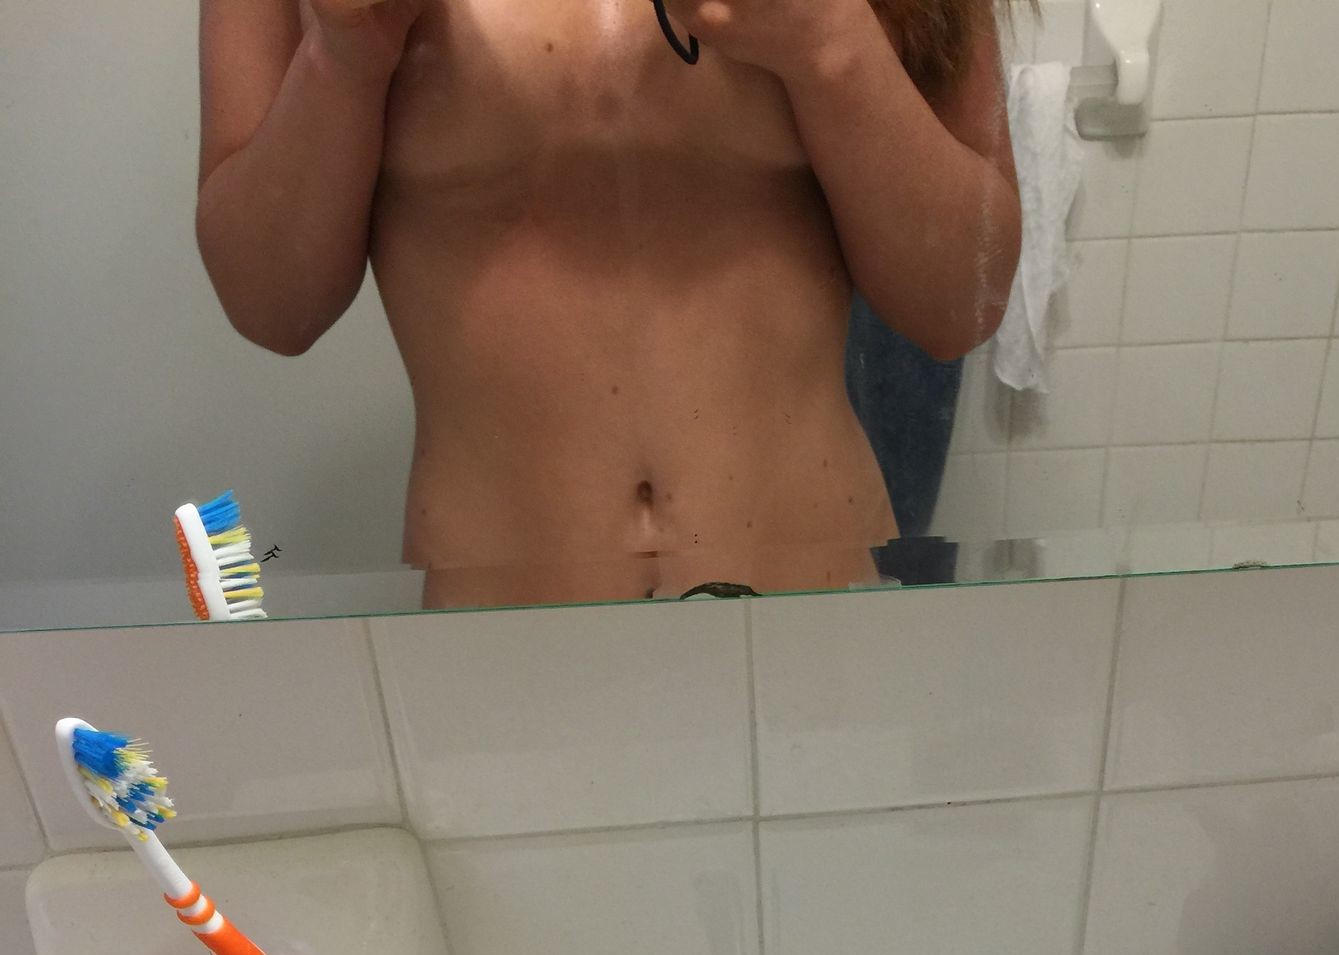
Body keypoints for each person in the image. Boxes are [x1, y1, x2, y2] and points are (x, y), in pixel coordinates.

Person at [197, 0, 1020, 607]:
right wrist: (343, 54)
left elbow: (960, 306)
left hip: (814, 614)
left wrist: (830, 39)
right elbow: (272, 306)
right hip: (503, 649)